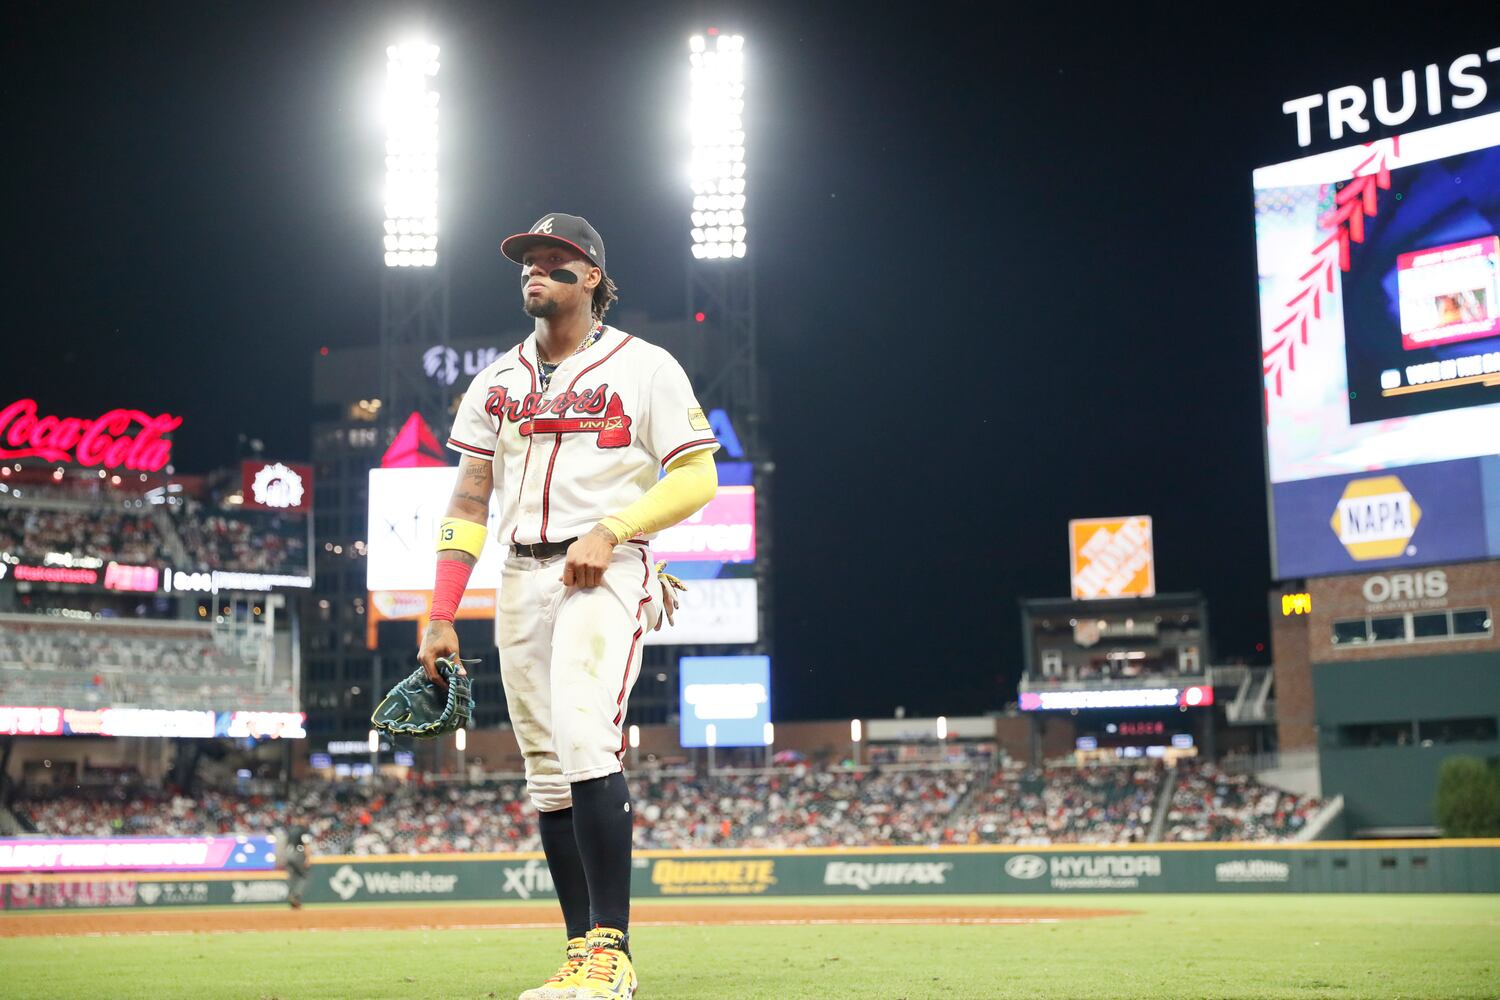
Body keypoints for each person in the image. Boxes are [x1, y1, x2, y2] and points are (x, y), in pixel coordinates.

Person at [418, 213, 717, 1000]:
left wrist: (615, 528)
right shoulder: (496, 382)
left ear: (591, 278)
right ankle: (583, 952)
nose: (535, 271)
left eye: (555, 261)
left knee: (587, 735)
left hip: (607, 568)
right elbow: (470, 500)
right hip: (519, 577)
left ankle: (614, 953)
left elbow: (697, 477)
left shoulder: (645, 366)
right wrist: (442, 609)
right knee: (548, 772)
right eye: (529, 260)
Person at [281, 819, 312, 909]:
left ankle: (291, 896)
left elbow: (285, 843)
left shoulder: (290, 829)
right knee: (304, 876)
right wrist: (308, 858)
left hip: (288, 854)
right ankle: (295, 895)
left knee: (292, 876)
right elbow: (306, 844)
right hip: (298, 853)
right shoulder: (303, 830)